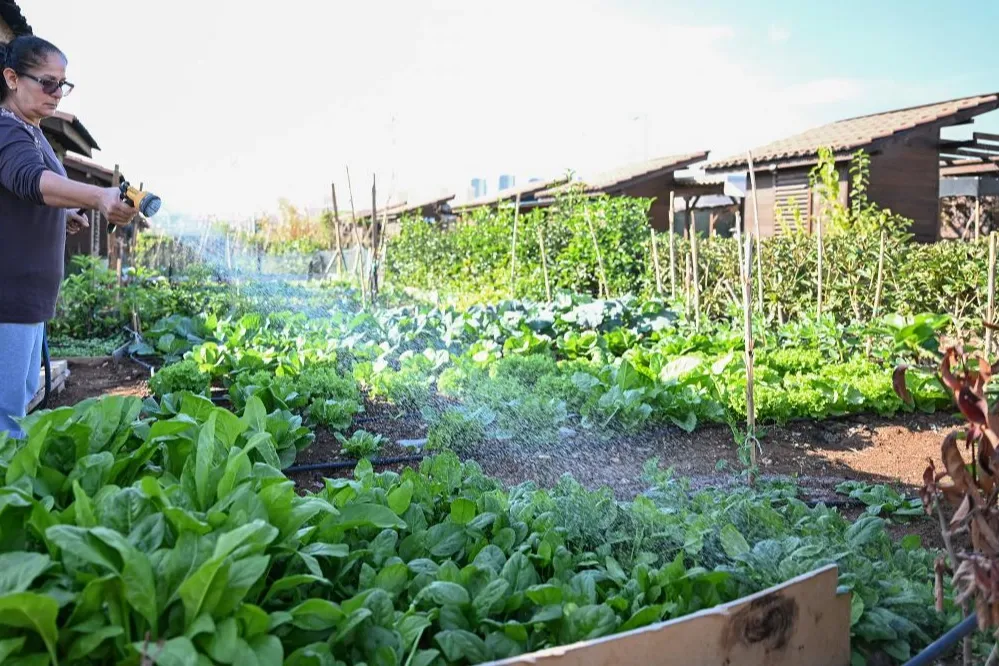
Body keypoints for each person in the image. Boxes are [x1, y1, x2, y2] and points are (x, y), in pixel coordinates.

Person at [0, 35, 138, 438]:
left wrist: (64, 215)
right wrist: (97, 196)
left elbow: (22, 203)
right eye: (47, 83)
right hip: (9, 301)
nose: (57, 93)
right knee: (6, 421)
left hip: (28, 303)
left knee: (16, 411)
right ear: (12, 78)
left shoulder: (34, 131)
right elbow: (28, 180)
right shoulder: (8, 131)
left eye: (63, 84)